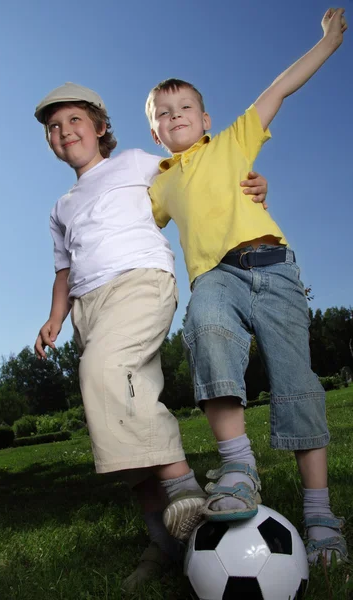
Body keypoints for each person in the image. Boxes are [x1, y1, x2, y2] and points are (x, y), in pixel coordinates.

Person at [33, 82, 269, 590]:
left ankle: (182, 486)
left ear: (100, 128)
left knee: (102, 376)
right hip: (87, 308)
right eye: (54, 127)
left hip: (140, 283)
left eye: (75, 120)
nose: (64, 131)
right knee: (113, 418)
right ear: (50, 143)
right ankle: (165, 542)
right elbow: (64, 269)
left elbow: (200, 168)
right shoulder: (61, 208)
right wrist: (55, 316)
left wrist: (250, 183)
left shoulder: (137, 163)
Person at [146, 8, 348, 565]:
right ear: (155, 131)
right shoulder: (158, 185)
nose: (175, 115)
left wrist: (328, 43)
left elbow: (279, 88)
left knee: (297, 382)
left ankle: (320, 513)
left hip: (273, 265)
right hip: (214, 276)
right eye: (163, 113)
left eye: (185, 107)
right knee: (204, 324)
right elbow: (123, 221)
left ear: (205, 117)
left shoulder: (232, 143)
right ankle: (238, 467)